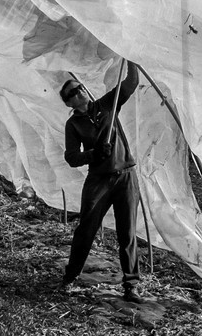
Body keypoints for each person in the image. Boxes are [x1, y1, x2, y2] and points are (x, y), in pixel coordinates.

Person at [59, 63, 142, 303]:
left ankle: (131, 285)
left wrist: (131, 58)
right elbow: (72, 158)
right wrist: (95, 153)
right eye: (73, 93)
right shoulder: (73, 125)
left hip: (125, 175)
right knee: (86, 228)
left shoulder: (107, 105)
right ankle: (70, 276)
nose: (80, 92)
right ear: (69, 103)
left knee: (127, 232)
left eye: (80, 88)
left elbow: (131, 83)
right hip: (99, 180)